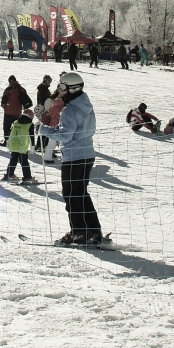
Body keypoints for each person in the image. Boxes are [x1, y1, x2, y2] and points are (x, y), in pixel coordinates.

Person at [39, 71, 102, 245]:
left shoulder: (70, 110)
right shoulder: (86, 106)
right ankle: (93, 230)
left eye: (62, 87)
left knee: (71, 195)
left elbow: (65, 136)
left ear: (71, 88)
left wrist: (44, 130)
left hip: (73, 157)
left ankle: (79, 232)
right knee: (81, 194)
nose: (60, 90)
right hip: (87, 154)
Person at [1, 111, 36, 184]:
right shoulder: (30, 124)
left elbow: (10, 132)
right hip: (22, 146)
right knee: (24, 162)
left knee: (13, 160)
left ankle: (9, 174)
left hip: (14, 144)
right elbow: (31, 136)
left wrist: (7, 141)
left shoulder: (15, 122)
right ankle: (27, 177)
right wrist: (32, 146)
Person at [0, 75, 33, 141]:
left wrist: (4, 106)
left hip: (8, 111)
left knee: (6, 127)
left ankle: (7, 141)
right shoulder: (21, 89)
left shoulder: (8, 89)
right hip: (18, 111)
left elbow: (4, 100)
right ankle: (16, 139)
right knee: (17, 126)